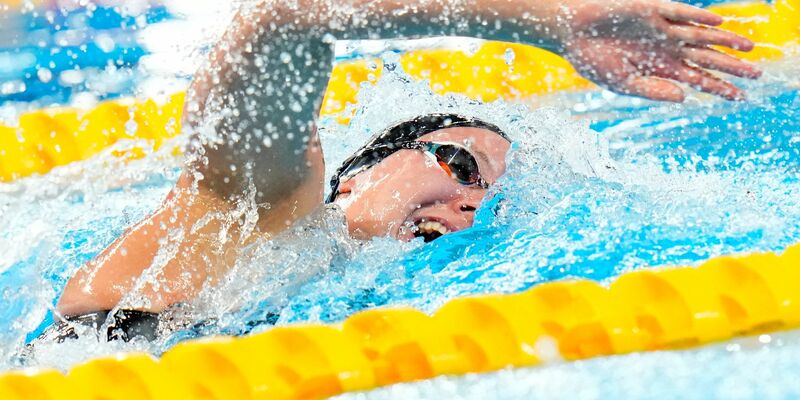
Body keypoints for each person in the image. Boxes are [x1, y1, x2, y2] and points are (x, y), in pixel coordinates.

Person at [52, 0, 760, 340]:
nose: (468, 207)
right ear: (356, 174)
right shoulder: (264, 203)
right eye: (460, 165)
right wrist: (550, 24)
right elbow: (282, 20)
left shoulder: (326, 295)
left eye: (484, 201)